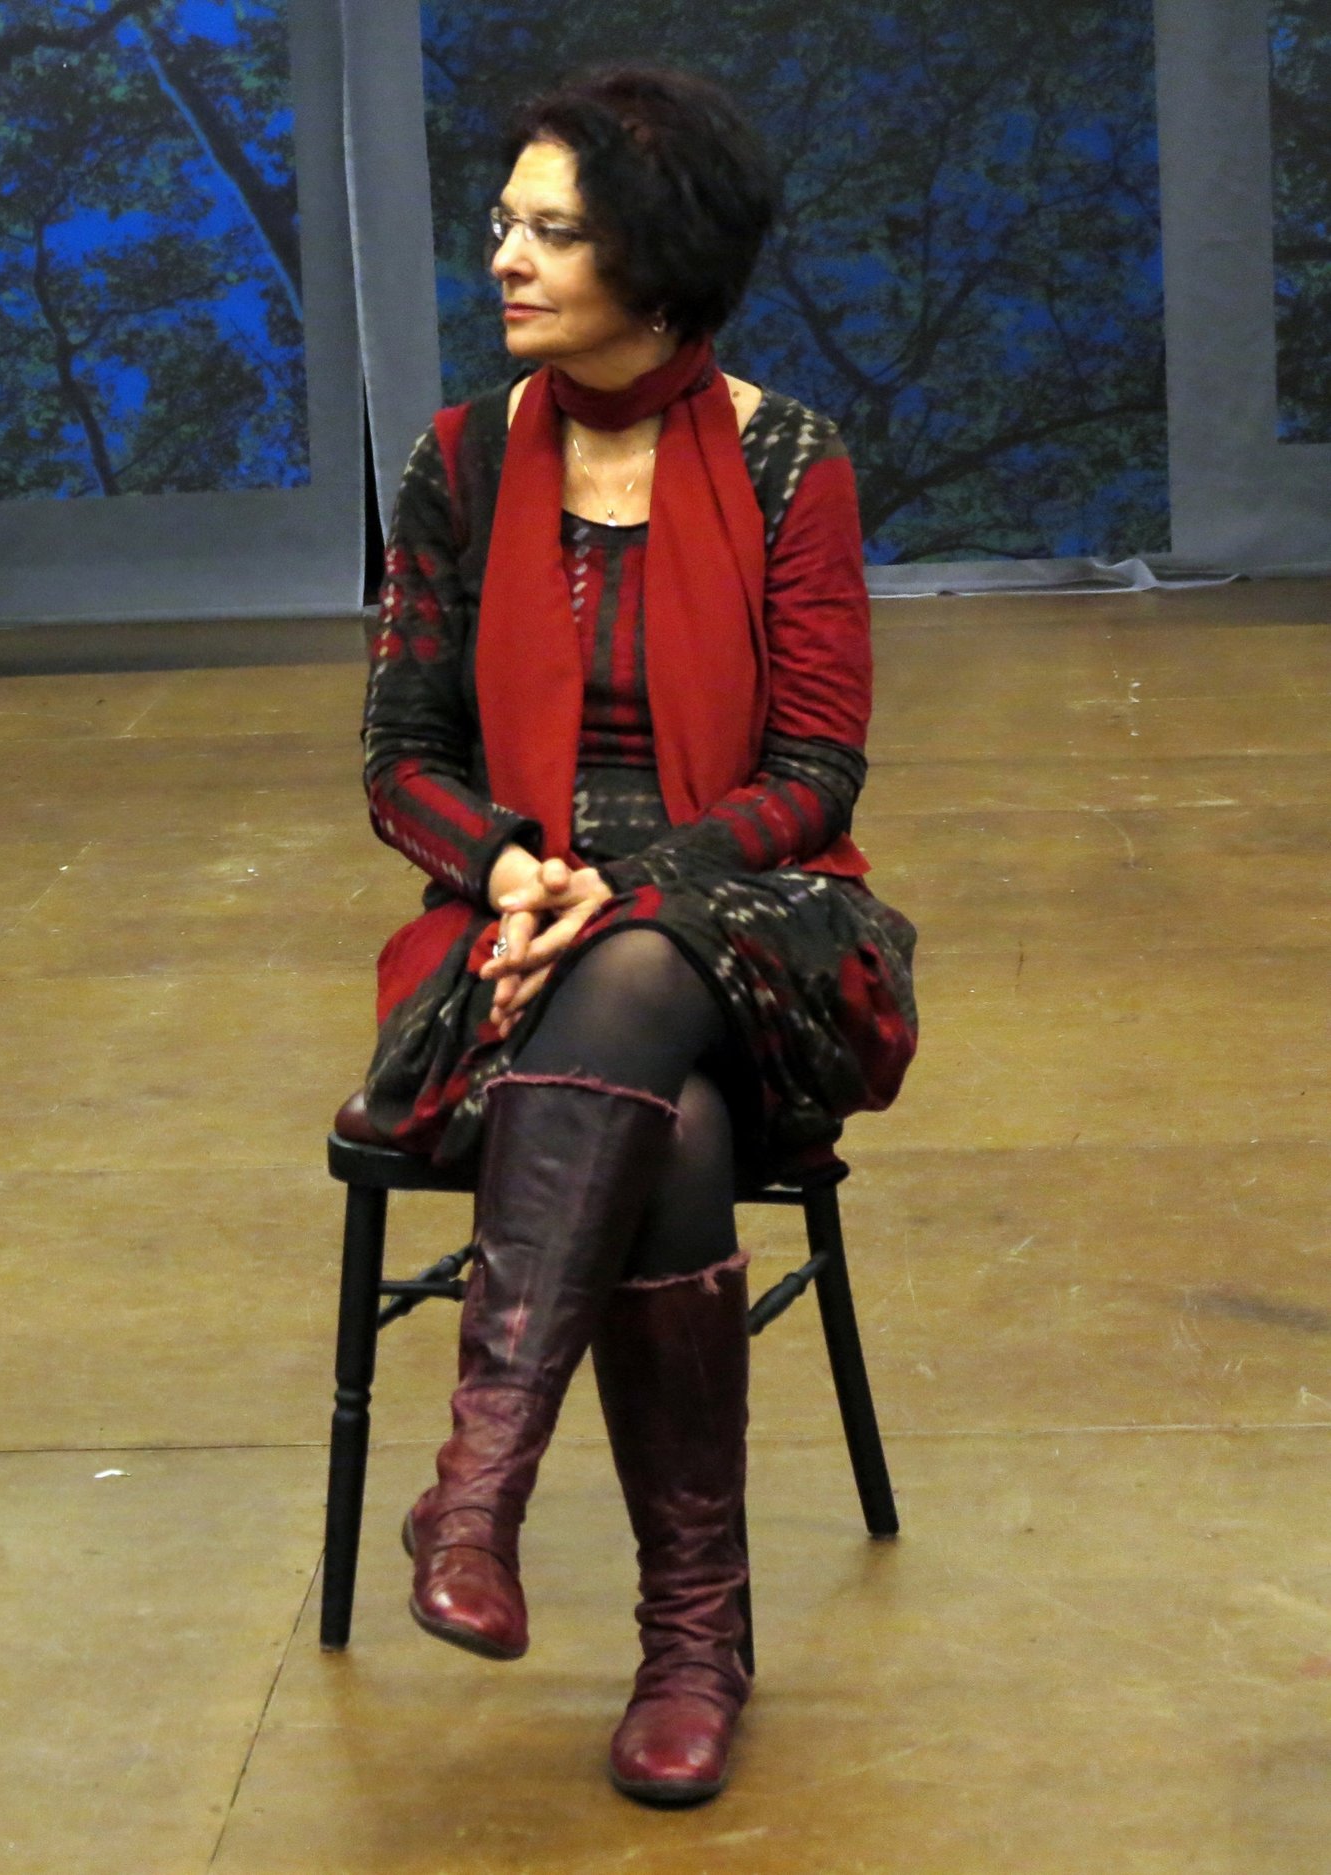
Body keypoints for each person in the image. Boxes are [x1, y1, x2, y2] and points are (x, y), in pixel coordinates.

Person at [361, 68, 917, 1805]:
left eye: (555, 230)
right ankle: (695, 1641)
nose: (505, 255)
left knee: (649, 961)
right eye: (509, 220)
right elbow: (401, 759)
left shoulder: (788, 459)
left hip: (761, 925)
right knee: (658, 1123)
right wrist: (513, 866)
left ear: (657, 263)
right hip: (514, 938)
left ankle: (480, 1490)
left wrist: (635, 881)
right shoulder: (459, 463)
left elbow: (817, 767)